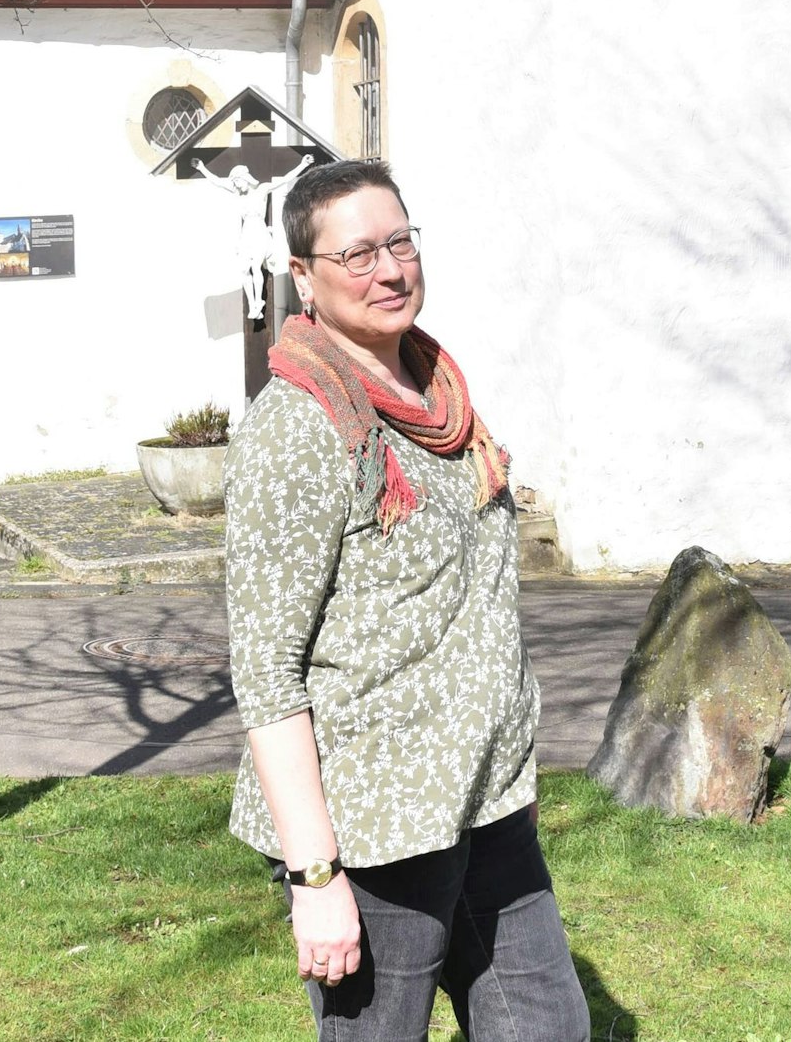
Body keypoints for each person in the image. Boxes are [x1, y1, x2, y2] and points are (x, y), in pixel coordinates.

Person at [223, 158, 590, 1041]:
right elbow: (266, 669)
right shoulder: (300, 425)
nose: (389, 269)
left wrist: (513, 765)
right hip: (374, 826)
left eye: (399, 242)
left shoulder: (439, 391)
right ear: (304, 277)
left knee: (548, 1028)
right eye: (357, 255)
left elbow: (474, 602)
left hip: (485, 800)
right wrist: (316, 879)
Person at [195, 156, 313, 320]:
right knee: (244, 269)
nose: (236, 185)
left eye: (237, 181)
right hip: (246, 233)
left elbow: (285, 178)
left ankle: (259, 300)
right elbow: (218, 182)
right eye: (235, 183)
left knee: (256, 267)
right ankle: (253, 304)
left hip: (259, 232)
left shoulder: (262, 189)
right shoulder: (239, 194)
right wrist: (202, 168)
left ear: (244, 178)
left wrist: (303, 164)